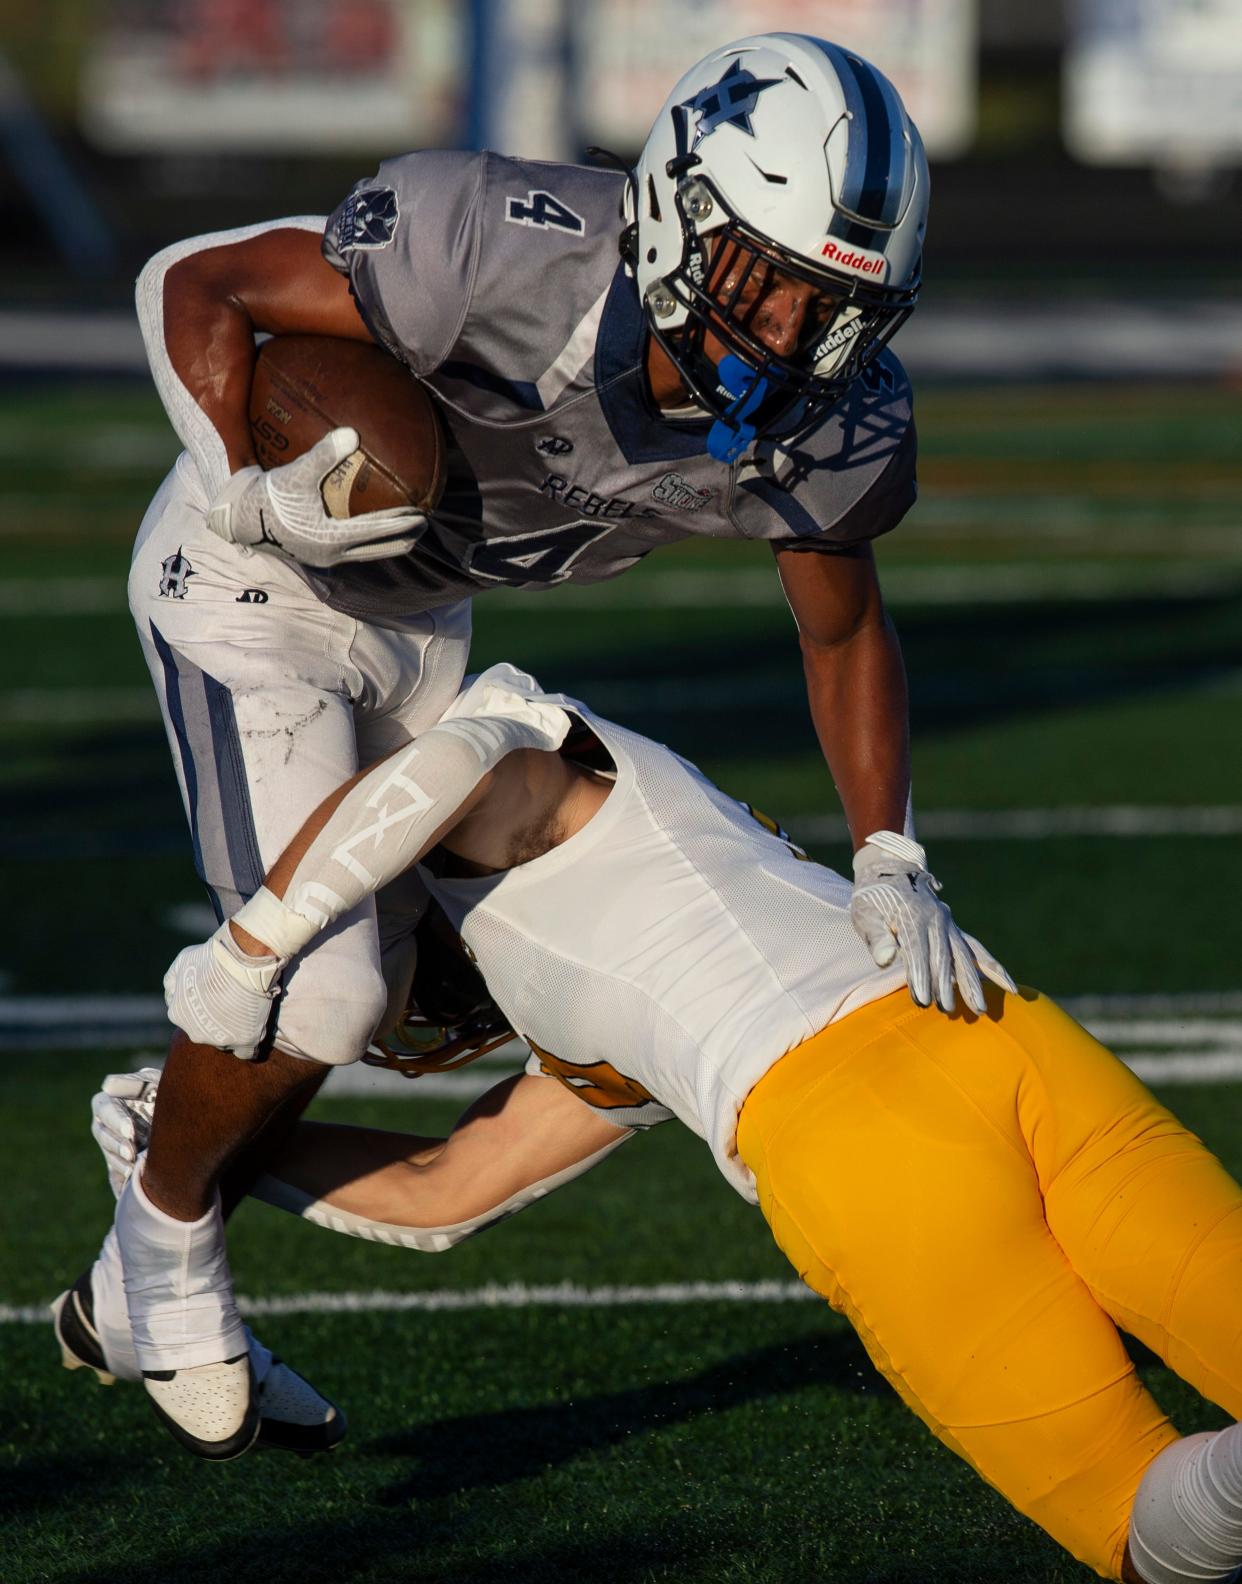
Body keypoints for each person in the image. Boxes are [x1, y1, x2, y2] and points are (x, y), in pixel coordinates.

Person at [119, 32, 1007, 1454]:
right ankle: (159, 1264)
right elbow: (195, 280)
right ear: (675, 210)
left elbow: (842, 633)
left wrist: (889, 851)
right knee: (330, 994)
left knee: (439, 1018)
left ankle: (146, 1186)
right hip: (254, 592)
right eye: (766, 281)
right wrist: (242, 487)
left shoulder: (823, 414)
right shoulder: (500, 247)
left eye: (831, 308)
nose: (786, 337)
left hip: (421, 632)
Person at [82, 662, 1242, 1584]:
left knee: (1142, 1523)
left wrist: (256, 947)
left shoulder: (504, 794)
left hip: (853, 1141)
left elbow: (455, 763)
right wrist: (199, 1152)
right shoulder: (590, 936)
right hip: (1006, 1035)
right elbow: (448, 1192)